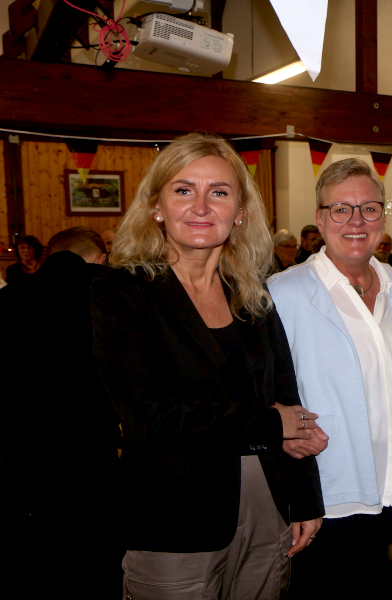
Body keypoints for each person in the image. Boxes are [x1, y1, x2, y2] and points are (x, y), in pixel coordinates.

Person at [90, 133, 325, 599]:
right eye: (183, 190)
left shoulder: (252, 293)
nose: (201, 205)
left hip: (268, 504)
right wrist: (273, 423)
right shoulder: (122, 293)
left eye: (218, 192)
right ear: (157, 206)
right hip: (175, 513)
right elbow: (151, 420)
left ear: (239, 212)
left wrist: (303, 496)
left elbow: (287, 399)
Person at [268, 158, 392, 598]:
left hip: (385, 491)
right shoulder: (286, 292)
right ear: (320, 218)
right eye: (341, 209)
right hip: (322, 495)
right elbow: (264, 391)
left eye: (369, 208)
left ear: (383, 217)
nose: (356, 221)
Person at [1, 226, 119, 595]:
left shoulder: (8, 300)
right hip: (91, 450)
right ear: (100, 259)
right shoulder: (109, 299)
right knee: (93, 559)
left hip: (21, 458)